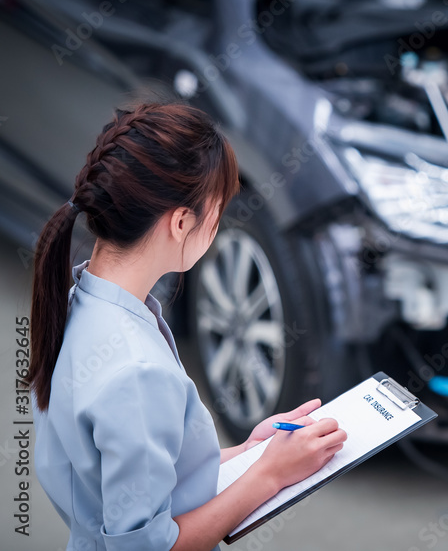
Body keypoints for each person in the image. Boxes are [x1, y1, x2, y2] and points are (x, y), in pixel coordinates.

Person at [28, 102, 347, 551]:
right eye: (217, 216)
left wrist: (250, 453)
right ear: (181, 222)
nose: (217, 230)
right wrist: (269, 475)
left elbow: (134, 477)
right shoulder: (136, 372)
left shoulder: (77, 304)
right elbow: (147, 546)